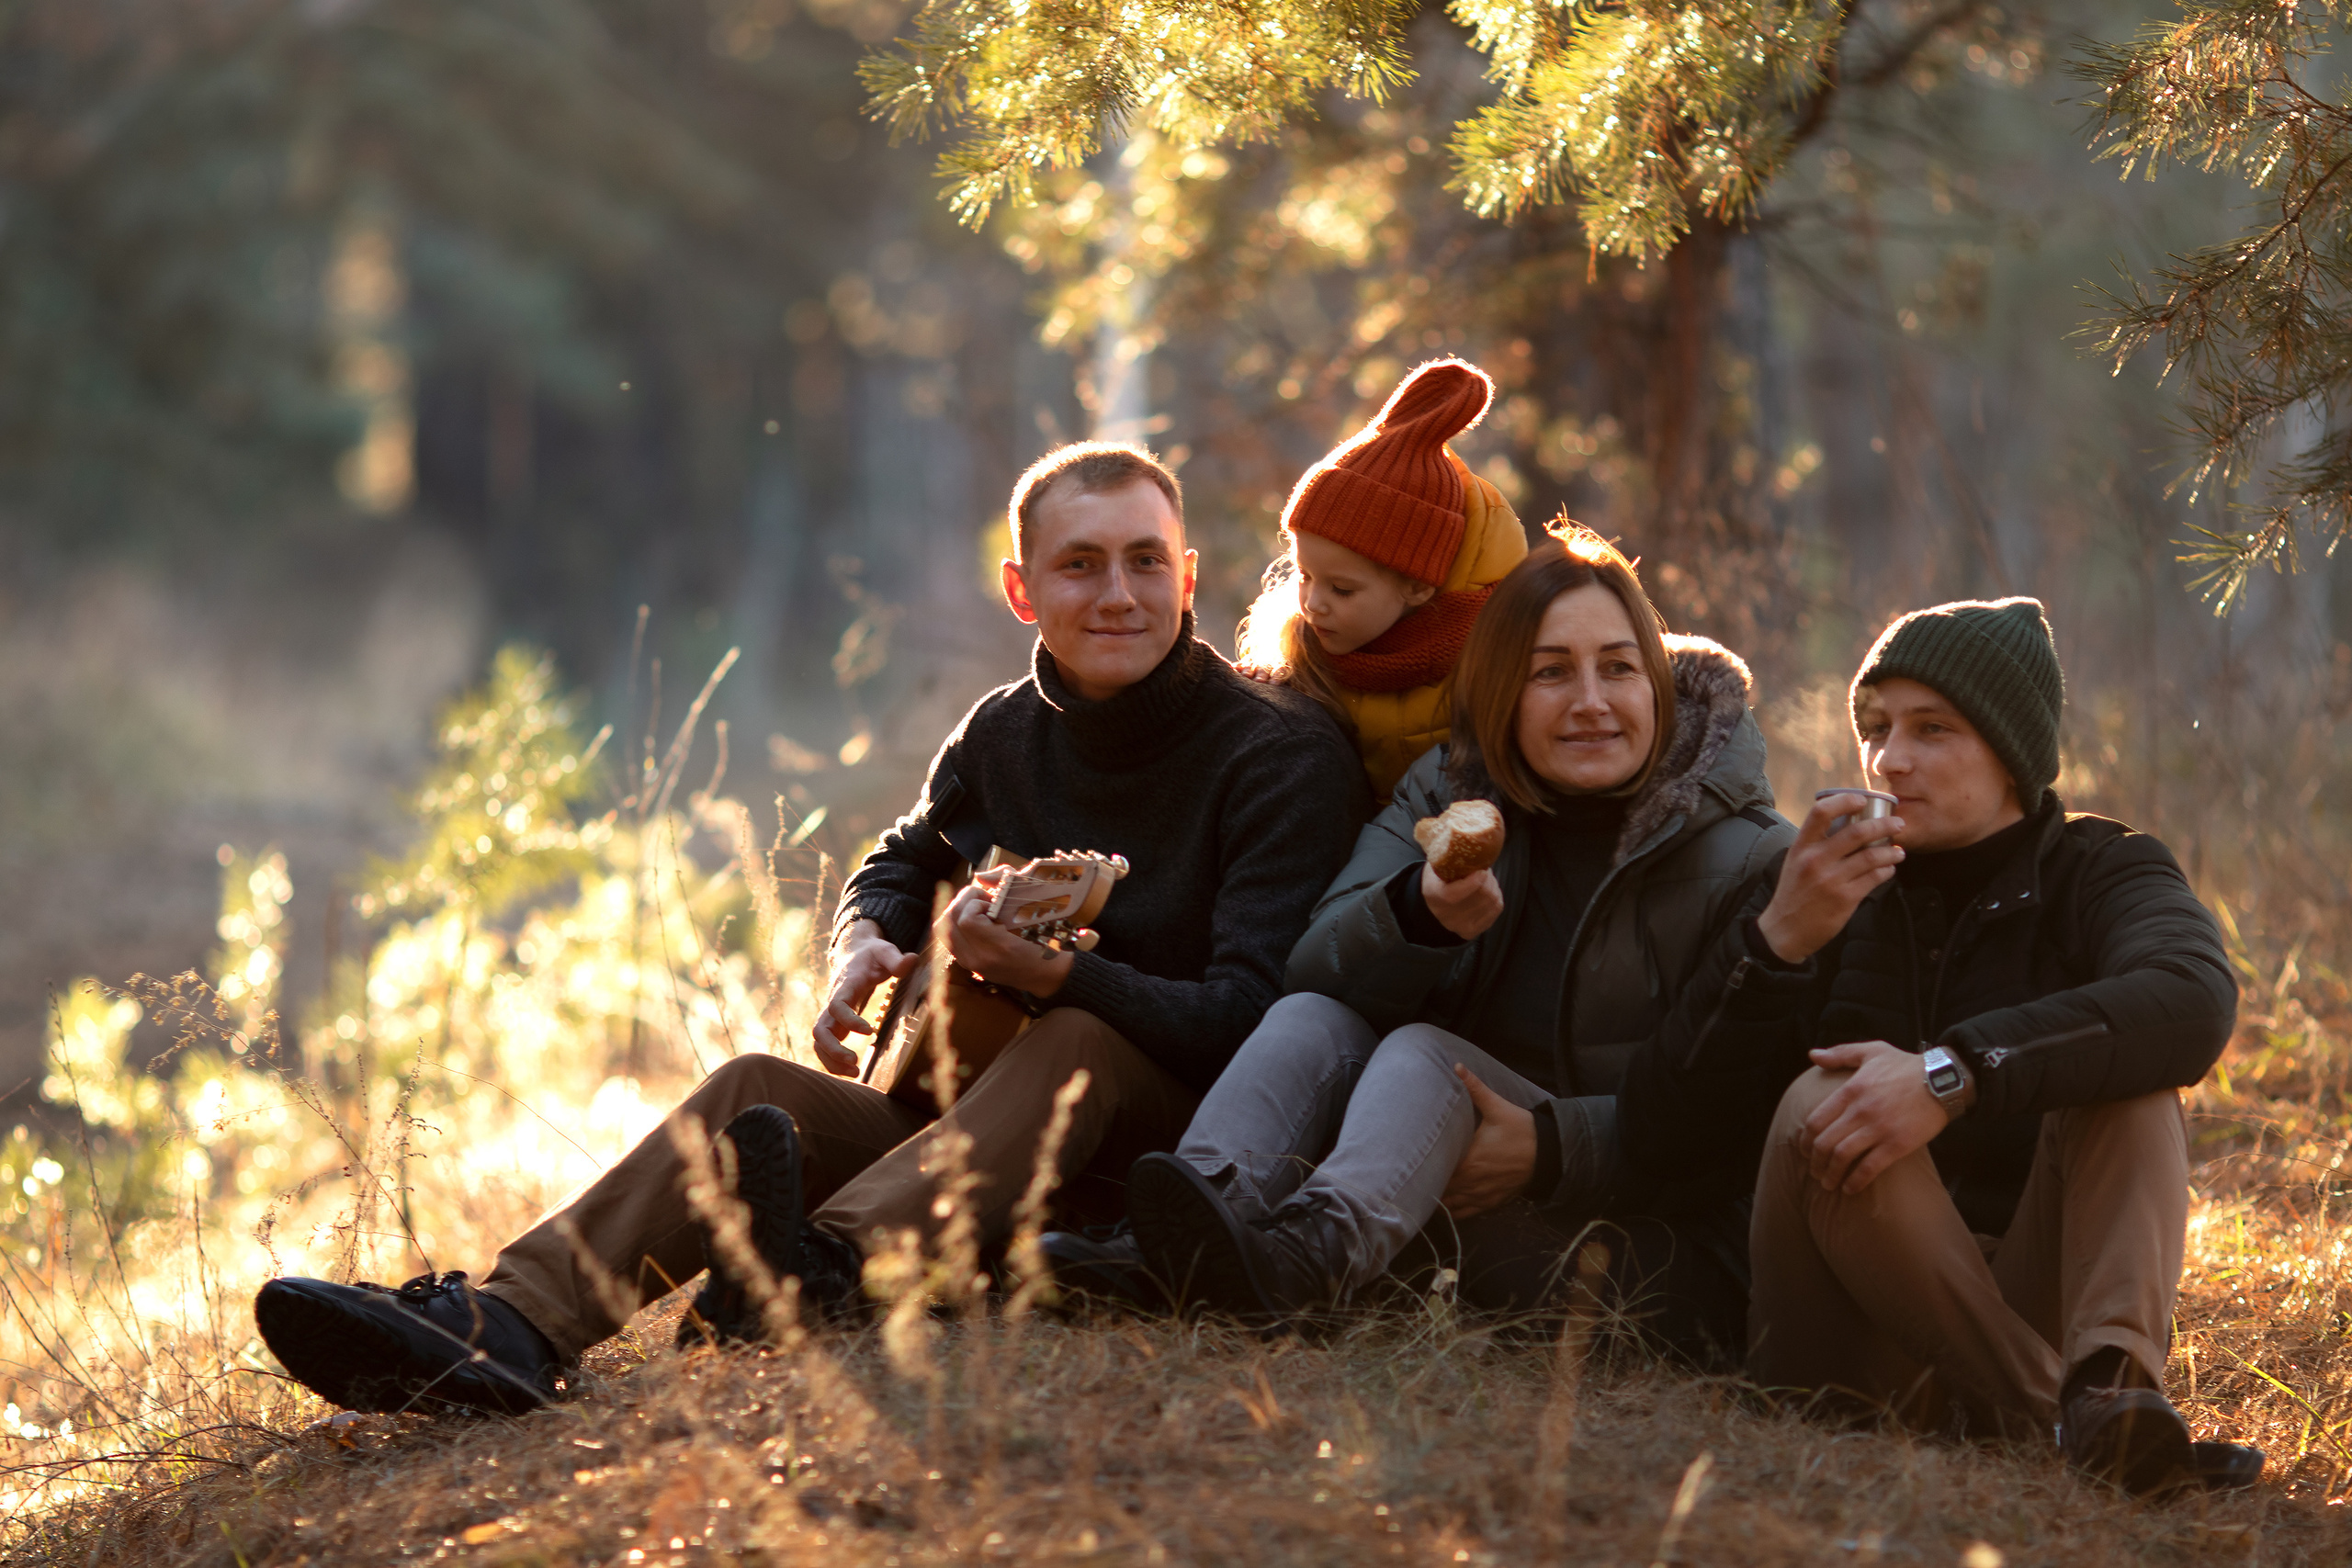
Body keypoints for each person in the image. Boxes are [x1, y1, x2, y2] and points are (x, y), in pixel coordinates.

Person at [252, 442, 1365, 1415]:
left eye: (1142, 562)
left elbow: (1249, 1022)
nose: (1117, 593)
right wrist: (865, 938)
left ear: (1188, 576)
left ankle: (824, 1265)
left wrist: (1054, 978)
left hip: (1158, 1174)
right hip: (962, 1145)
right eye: (1080, 565)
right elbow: (902, 856)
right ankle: (511, 1325)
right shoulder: (1005, 733)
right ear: (1023, 592)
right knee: (752, 1088)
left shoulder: (1274, 751)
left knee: (1075, 1042)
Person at [1066, 526, 1792, 1356]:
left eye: (1620, 668)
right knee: (1312, 1016)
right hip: (1434, 1185)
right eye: (1551, 671)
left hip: (1630, 1233)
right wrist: (1416, 914)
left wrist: (1551, 1147)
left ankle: (1305, 1261)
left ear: (1659, 685)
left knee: (1422, 1053)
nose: (1591, 699)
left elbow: (1736, 1118)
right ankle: (1189, 1224)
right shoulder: (1453, 792)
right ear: (1499, 693)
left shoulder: (1755, 857)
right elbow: (1315, 963)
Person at [1659, 596, 2261, 1495]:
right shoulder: (1820, 881)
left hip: (2026, 1291)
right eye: (1875, 726)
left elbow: (2191, 999)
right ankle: (2068, 1420)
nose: (1888, 758)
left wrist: (1953, 1073)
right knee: (1821, 1098)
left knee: (2131, 1076)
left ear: (2012, 747)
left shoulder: (2105, 867)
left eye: (1931, 728)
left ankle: (2109, 1387)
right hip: (1849, 1351)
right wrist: (1778, 942)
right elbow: (1677, 1133)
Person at [1235, 358, 1527, 800]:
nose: (1312, 602)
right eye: (1304, 574)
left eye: (1342, 588)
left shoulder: (1488, 663)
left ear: (1417, 586)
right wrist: (1269, 688)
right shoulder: (1301, 649)